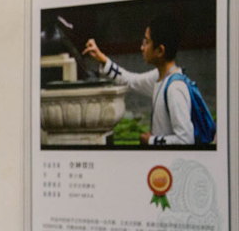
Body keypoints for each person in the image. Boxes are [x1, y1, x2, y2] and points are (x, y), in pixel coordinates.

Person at [82, 15, 195, 146]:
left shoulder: (175, 88)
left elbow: (186, 140)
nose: (142, 47)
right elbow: (131, 80)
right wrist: (102, 58)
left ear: (160, 50)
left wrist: (151, 140)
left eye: (146, 42)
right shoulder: (159, 77)